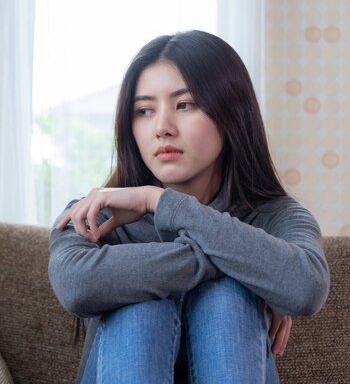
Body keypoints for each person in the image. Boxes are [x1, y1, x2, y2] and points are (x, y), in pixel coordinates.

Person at [48, 30, 330, 384]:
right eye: (144, 110)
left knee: (226, 301)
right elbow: (77, 286)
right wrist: (251, 265)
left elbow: (304, 288)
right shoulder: (94, 213)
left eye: (184, 104)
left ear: (231, 112)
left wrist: (160, 201)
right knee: (141, 307)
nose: (162, 128)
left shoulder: (276, 215)